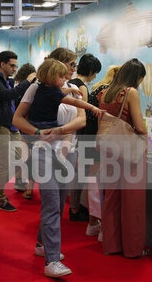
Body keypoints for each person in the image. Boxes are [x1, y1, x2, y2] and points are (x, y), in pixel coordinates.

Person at [12, 51, 87, 278]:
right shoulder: (36, 88)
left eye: (74, 65)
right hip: (43, 151)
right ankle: (51, 260)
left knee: (58, 203)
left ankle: (41, 245)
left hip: (69, 151)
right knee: (52, 203)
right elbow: (18, 119)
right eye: (68, 64)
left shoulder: (76, 88)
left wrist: (59, 131)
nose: (72, 69)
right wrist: (37, 133)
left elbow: (82, 120)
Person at [97, 58, 149, 258]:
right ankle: (133, 249)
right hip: (129, 152)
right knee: (132, 200)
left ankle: (111, 245)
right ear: (137, 77)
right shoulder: (130, 92)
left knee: (111, 198)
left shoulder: (105, 93)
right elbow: (140, 126)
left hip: (109, 150)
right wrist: (147, 140)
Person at [0, 51, 36, 212]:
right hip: (1, 125)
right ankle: (1, 199)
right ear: (2, 64)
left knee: (20, 159)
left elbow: (14, 98)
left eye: (16, 65)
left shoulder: (9, 81)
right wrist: (27, 82)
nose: (15, 68)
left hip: (12, 125)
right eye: (12, 65)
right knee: (4, 163)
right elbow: (7, 95)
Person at [85, 65, 121, 241]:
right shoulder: (108, 92)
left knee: (93, 184)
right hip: (102, 143)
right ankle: (104, 229)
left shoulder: (96, 88)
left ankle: (93, 224)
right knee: (103, 187)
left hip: (89, 140)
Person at [68, 53, 102, 222]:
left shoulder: (71, 83)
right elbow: (84, 114)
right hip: (82, 135)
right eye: (95, 72)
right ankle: (75, 209)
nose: (96, 76)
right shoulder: (81, 87)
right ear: (90, 70)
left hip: (71, 134)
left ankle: (74, 206)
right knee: (80, 173)